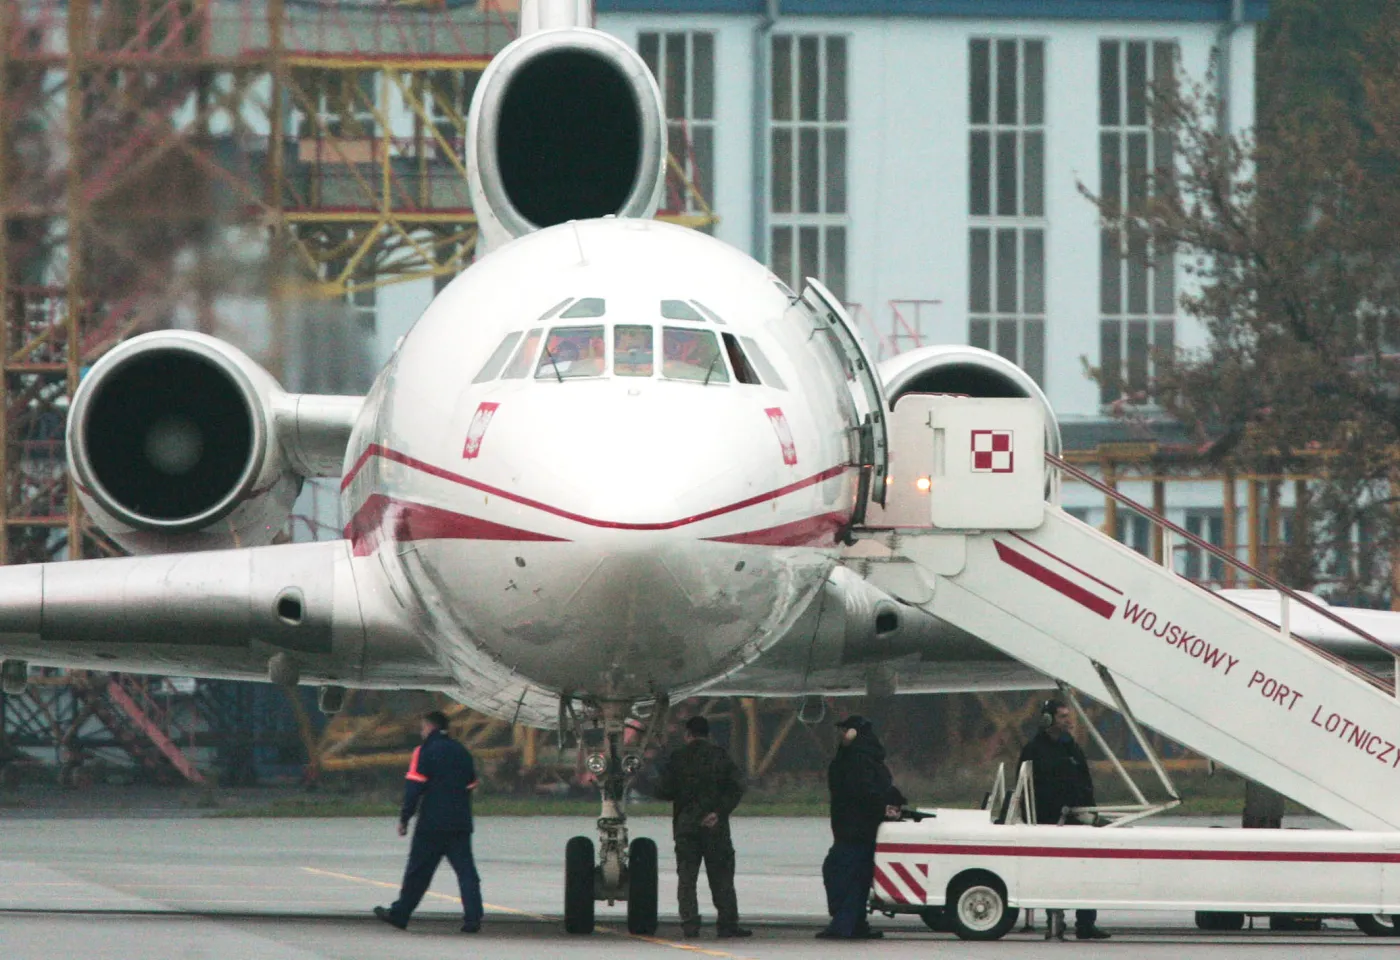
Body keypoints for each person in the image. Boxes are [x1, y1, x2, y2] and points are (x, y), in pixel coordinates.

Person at [374, 710, 484, 933]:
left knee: (418, 872)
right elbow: (471, 784)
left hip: (431, 824)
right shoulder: (462, 751)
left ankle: (401, 914)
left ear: (430, 727)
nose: (421, 731)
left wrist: (405, 817)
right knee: (466, 873)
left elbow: (414, 788)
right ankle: (473, 919)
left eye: (422, 727)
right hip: (460, 822)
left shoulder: (424, 751)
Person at [1018, 699, 1111, 942]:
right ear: (1048, 719)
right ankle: (1055, 921)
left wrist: (1090, 811)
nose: (1069, 721)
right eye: (1062, 717)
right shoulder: (1034, 750)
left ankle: (1086, 923)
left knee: (1088, 870)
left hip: (1077, 820)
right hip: (1050, 822)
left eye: (1068, 716)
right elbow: (1025, 788)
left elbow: (1083, 780)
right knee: (1055, 874)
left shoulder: (1072, 747)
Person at [653, 715, 751, 939]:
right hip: (715, 825)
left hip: (686, 826)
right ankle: (727, 924)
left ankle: (690, 924)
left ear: (687, 734)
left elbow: (662, 791)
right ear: (708, 735)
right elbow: (737, 787)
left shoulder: (678, 757)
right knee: (722, 877)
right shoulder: (720, 756)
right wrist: (718, 812)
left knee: (687, 877)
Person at [817, 714, 905, 940]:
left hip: (854, 830)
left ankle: (844, 926)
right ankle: (855, 924)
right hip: (858, 829)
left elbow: (864, 792)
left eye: (844, 730)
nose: (840, 734)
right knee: (856, 878)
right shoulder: (865, 758)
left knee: (840, 873)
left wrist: (879, 807)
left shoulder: (855, 760)